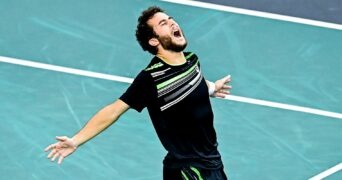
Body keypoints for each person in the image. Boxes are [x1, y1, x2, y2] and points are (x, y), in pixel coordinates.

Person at [45, 6, 232, 180]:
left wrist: (212, 88)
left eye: (170, 19)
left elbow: (193, 82)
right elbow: (114, 110)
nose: (173, 23)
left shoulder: (192, 61)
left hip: (211, 162)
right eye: (163, 24)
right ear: (154, 40)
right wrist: (76, 140)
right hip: (189, 169)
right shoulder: (151, 78)